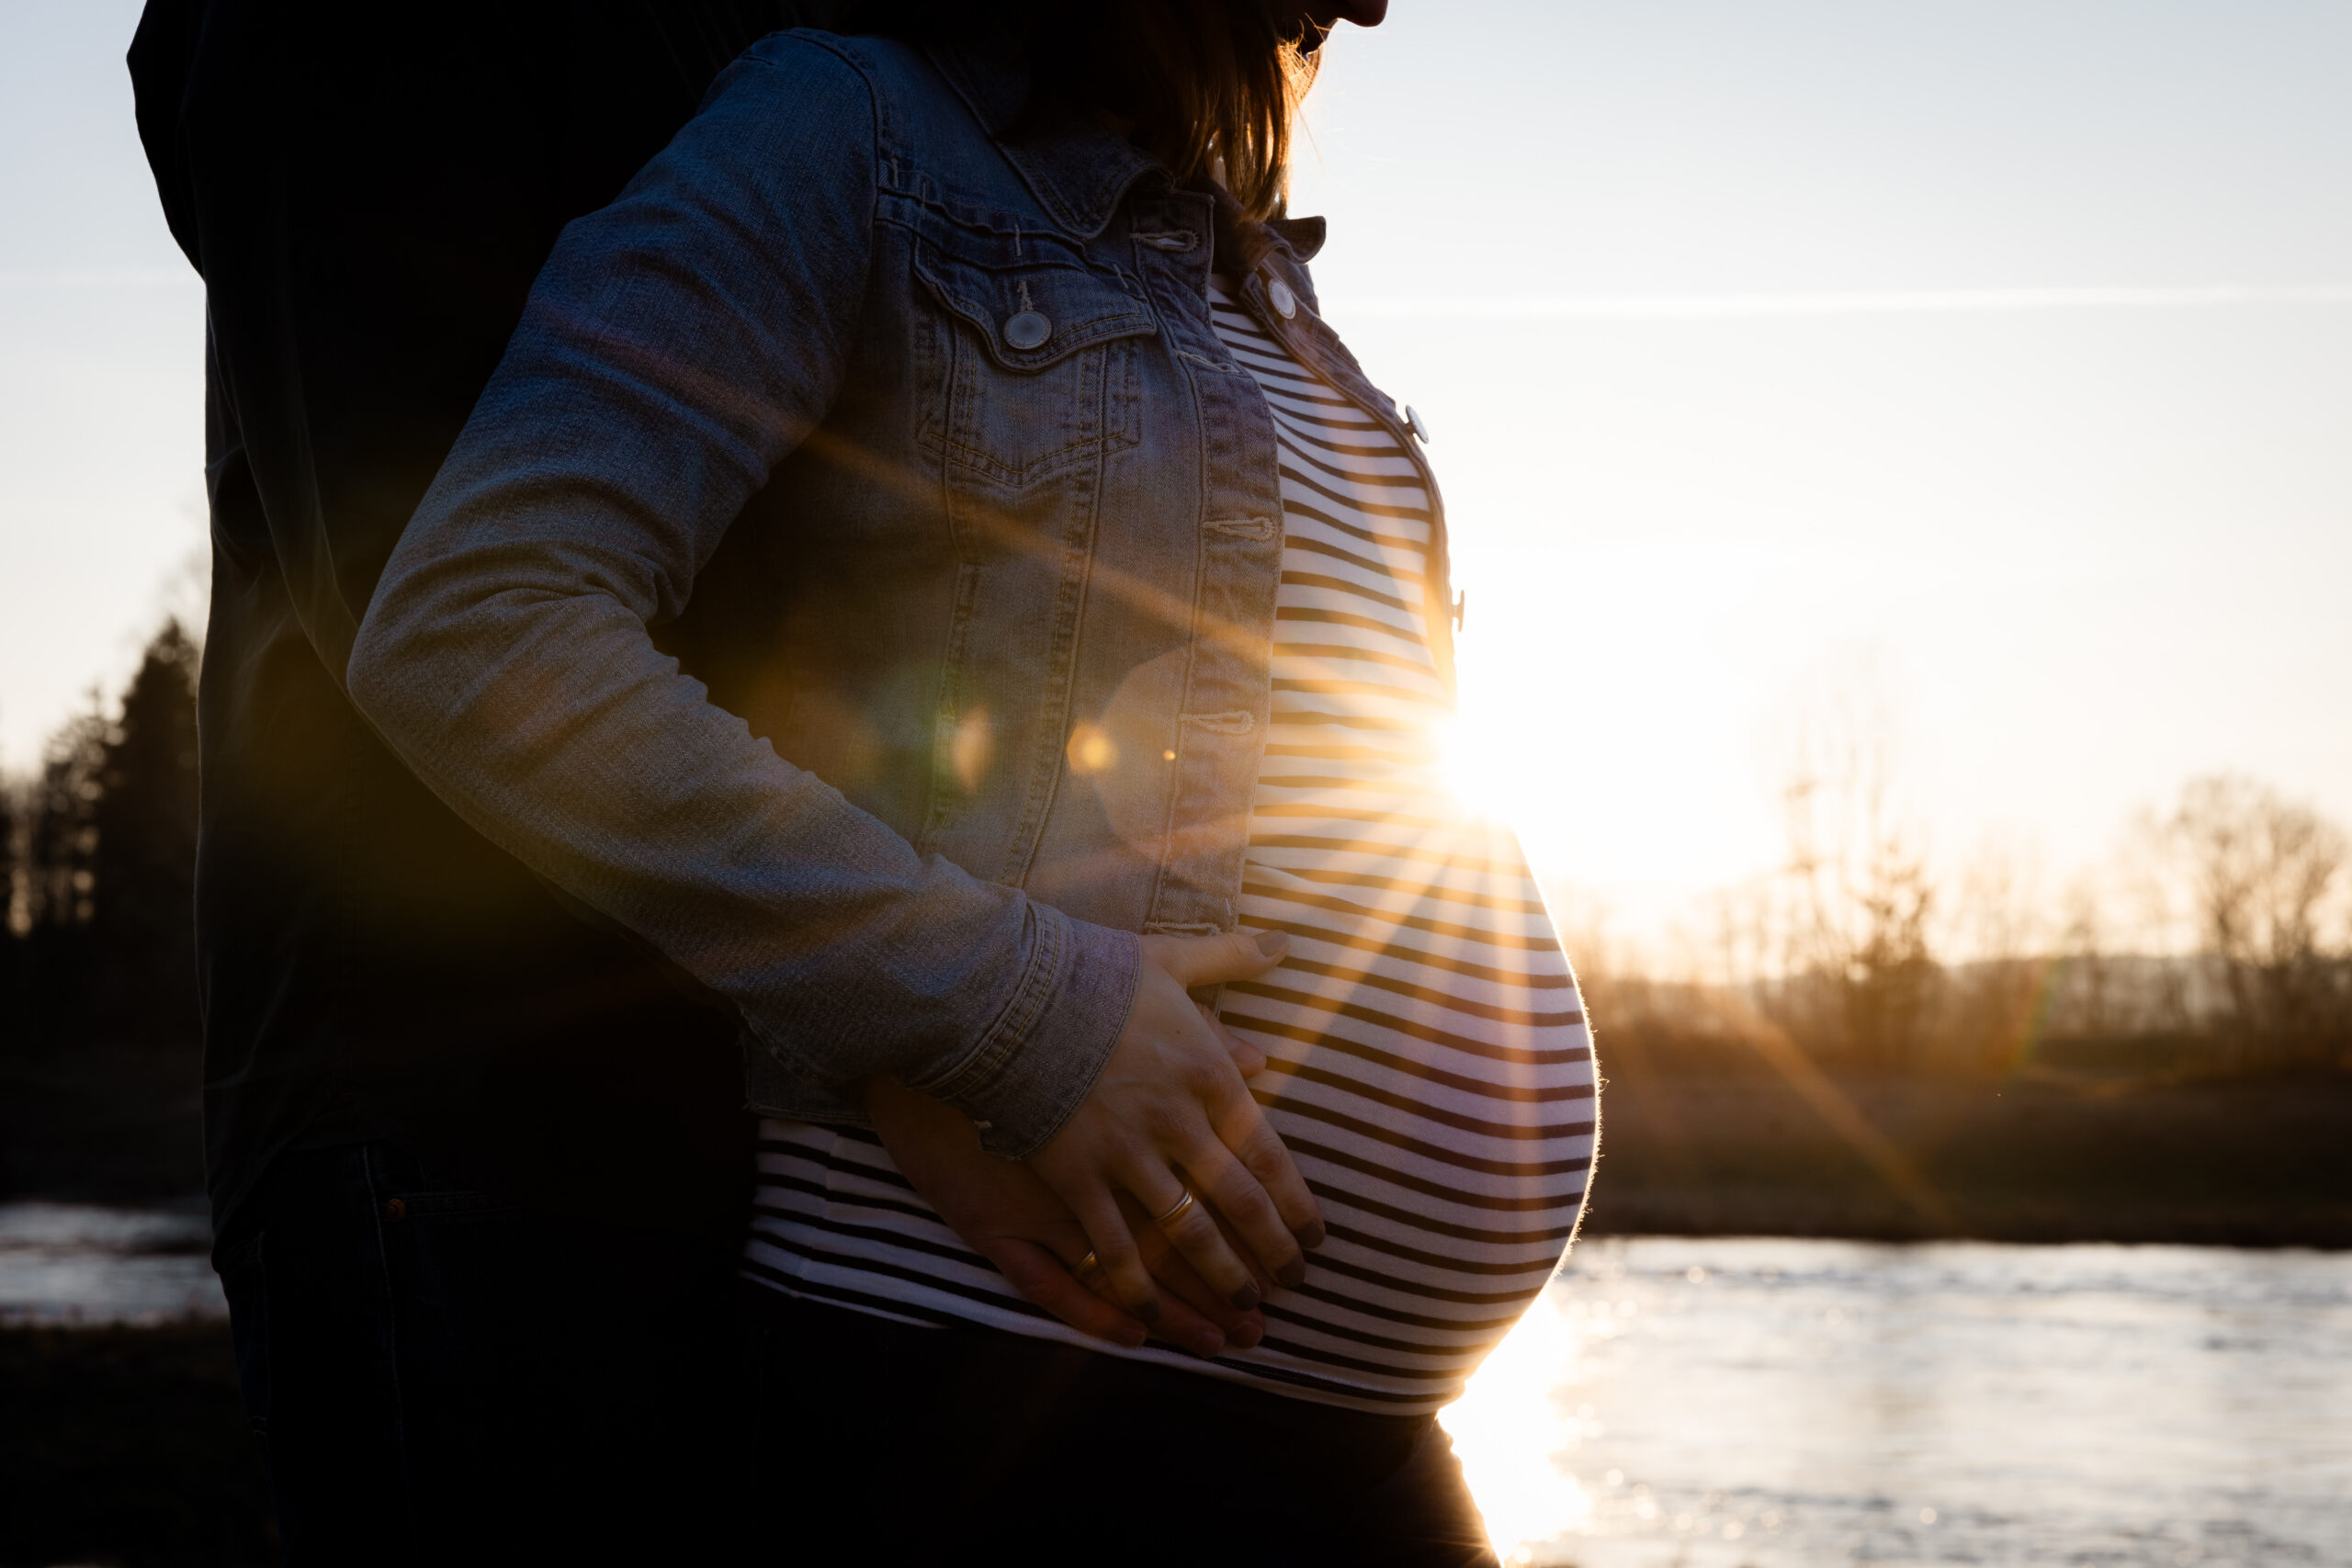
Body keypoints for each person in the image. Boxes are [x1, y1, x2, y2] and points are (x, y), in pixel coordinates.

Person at [350, 2, 1597, 1563]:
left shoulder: (1256, 272)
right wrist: (1013, 1017)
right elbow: (480, 625)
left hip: (1348, 1423)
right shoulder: (847, 129)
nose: (1367, 8)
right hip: (996, 1377)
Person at [130, 3, 1272, 1561]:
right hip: (468, 1116)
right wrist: (949, 1027)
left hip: (692, 1100)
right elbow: (442, 598)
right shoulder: (359, 42)